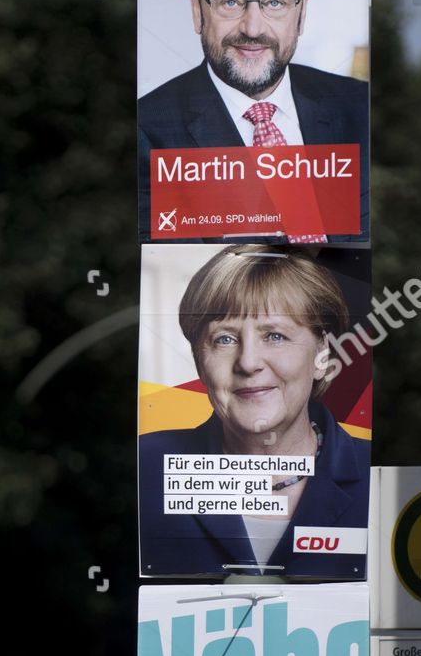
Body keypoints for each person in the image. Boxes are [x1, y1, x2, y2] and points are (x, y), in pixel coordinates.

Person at [138, 245, 369, 578]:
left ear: (322, 353)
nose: (247, 362)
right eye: (225, 339)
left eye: (274, 336)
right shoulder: (145, 467)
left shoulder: (374, 475)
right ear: (199, 361)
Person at [138, 0, 369, 241]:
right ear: (197, 10)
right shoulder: (148, 132)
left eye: (275, 2)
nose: (252, 27)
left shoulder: (360, 107)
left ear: (301, 13)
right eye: (230, 2)